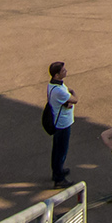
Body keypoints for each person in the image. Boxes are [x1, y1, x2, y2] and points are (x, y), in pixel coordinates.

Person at [46, 61, 76, 189]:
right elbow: (75, 100)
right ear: (57, 75)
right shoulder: (59, 90)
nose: (66, 71)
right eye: (63, 71)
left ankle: (57, 171)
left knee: (57, 150)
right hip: (62, 124)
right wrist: (73, 93)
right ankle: (59, 179)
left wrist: (67, 100)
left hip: (59, 122)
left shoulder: (53, 85)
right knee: (61, 151)